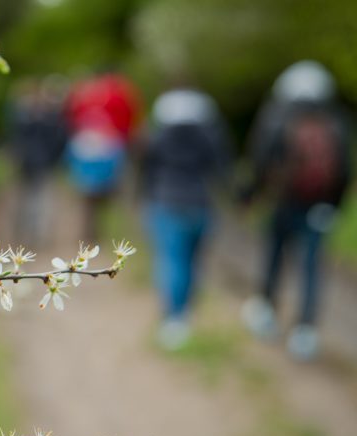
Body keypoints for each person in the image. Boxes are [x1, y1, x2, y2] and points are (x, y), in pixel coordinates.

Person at [241, 60, 352, 360]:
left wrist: (250, 196)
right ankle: (305, 332)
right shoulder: (335, 120)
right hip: (319, 207)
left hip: (283, 202)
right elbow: (345, 168)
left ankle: (265, 313)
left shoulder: (277, 115)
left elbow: (260, 159)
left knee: (276, 256)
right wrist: (333, 206)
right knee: (312, 266)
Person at [141, 87, 232, 348]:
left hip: (166, 204)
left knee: (171, 262)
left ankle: (173, 317)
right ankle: (185, 313)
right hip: (201, 207)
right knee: (193, 262)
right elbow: (222, 170)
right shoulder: (209, 136)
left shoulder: (158, 137)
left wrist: (145, 199)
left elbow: (146, 171)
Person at [65, 72, 141, 243]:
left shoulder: (83, 92)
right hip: (109, 147)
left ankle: (91, 230)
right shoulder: (120, 94)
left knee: (88, 191)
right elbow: (130, 117)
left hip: (86, 148)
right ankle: (107, 230)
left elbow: (70, 116)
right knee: (109, 189)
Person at [2, 77, 68, 244]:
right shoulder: (48, 118)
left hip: (31, 162)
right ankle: (34, 234)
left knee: (31, 198)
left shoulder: (22, 117)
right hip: (39, 162)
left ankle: (30, 233)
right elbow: (58, 140)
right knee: (36, 198)